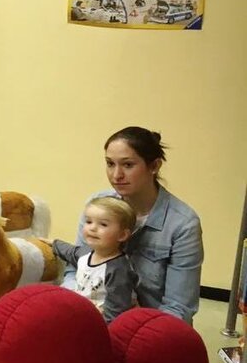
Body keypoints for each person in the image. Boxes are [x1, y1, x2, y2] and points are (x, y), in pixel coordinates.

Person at [67, 126, 203, 324]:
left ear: (154, 166)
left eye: (128, 165)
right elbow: (74, 268)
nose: (116, 175)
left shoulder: (183, 224)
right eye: (110, 164)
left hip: (150, 330)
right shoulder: (98, 204)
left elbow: (179, 307)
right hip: (92, 322)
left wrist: (130, 329)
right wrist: (79, 306)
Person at [52, 197, 139, 324]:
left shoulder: (118, 270)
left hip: (99, 323)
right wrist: (52, 243)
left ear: (122, 235)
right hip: (80, 313)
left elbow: (115, 311)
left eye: (103, 224)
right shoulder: (86, 253)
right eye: (88, 222)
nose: (93, 228)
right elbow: (69, 251)